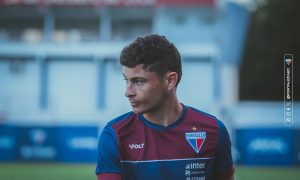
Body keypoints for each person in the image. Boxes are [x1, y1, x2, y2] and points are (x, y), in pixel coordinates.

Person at [95, 34, 235, 180]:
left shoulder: (214, 130)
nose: (128, 92)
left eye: (139, 81)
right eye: (127, 81)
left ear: (170, 80)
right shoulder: (115, 135)